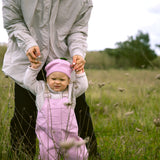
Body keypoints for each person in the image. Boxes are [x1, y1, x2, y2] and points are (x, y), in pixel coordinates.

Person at [2, 0, 98, 159]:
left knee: (79, 110)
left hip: (63, 63)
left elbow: (78, 30)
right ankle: (23, 155)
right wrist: (28, 43)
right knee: (24, 112)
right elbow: (13, 21)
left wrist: (78, 52)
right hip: (28, 60)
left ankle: (89, 155)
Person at [23, 58, 89, 160]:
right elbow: (27, 82)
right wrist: (33, 69)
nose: (57, 82)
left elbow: (83, 86)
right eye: (53, 79)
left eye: (62, 80)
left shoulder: (71, 91)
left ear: (68, 81)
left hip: (68, 136)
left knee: (76, 155)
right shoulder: (41, 89)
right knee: (47, 156)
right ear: (47, 78)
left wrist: (80, 72)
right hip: (47, 137)